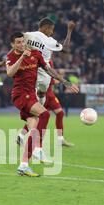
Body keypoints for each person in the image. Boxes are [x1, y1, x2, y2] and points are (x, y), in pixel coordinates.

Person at [6, 32, 78, 177]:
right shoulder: (11, 56)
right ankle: (39, 148)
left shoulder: (36, 54)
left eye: (22, 41)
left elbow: (48, 70)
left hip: (31, 94)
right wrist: (22, 57)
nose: (21, 44)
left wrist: (64, 81)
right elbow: (9, 73)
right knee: (45, 114)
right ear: (12, 45)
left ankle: (23, 165)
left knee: (33, 128)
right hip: (20, 94)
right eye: (17, 42)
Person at [18, 18, 76, 147]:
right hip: (43, 81)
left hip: (31, 74)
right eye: (51, 29)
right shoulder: (49, 43)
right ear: (45, 28)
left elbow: (16, 41)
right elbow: (66, 49)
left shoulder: (28, 35)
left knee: (41, 111)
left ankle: (24, 135)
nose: (52, 32)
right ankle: (34, 143)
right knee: (42, 113)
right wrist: (69, 31)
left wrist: (9, 58)